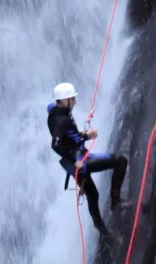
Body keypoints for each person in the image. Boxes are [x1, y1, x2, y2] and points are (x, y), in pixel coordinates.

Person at [47, 82, 128, 238]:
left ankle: (103, 227)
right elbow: (56, 144)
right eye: (72, 99)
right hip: (79, 161)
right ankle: (114, 207)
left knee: (93, 195)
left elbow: (68, 137)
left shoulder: (58, 111)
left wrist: (86, 135)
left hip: (79, 156)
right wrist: (73, 159)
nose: (75, 102)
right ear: (64, 100)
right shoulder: (60, 120)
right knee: (120, 161)